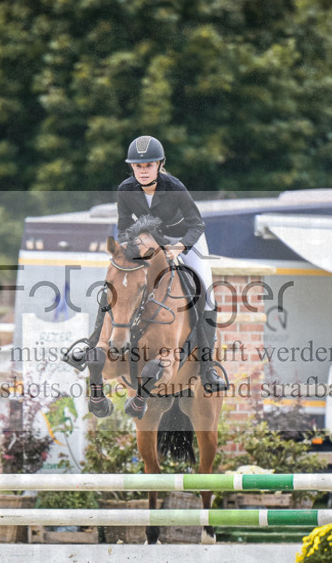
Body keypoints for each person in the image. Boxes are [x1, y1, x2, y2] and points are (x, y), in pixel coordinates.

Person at [66, 135, 228, 393]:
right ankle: (92, 342)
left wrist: (179, 247)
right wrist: (131, 249)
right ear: (132, 167)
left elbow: (197, 223)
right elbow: (122, 226)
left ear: (159, 165)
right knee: (116, 284)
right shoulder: (125, 189)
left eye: (148, 165)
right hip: (149, 243)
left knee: (206, 295)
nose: (143, 171)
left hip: (186, 240)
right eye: (138, 166)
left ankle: (207, 367)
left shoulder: (174, 187)